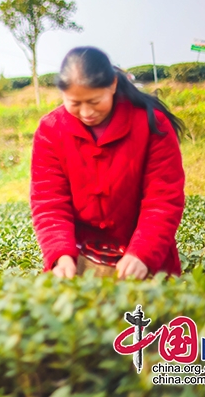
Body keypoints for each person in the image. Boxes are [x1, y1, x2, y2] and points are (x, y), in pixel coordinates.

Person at [31, 47, 185, 280]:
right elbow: (49, 202)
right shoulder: (50, 130)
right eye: (75, 103)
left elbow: (162, 200)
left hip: (144, 262)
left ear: (112, 85)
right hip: (80, 264)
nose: (86, 112)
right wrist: (60, 256)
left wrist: (143, 253)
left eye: (94, 101)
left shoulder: (152, 124)